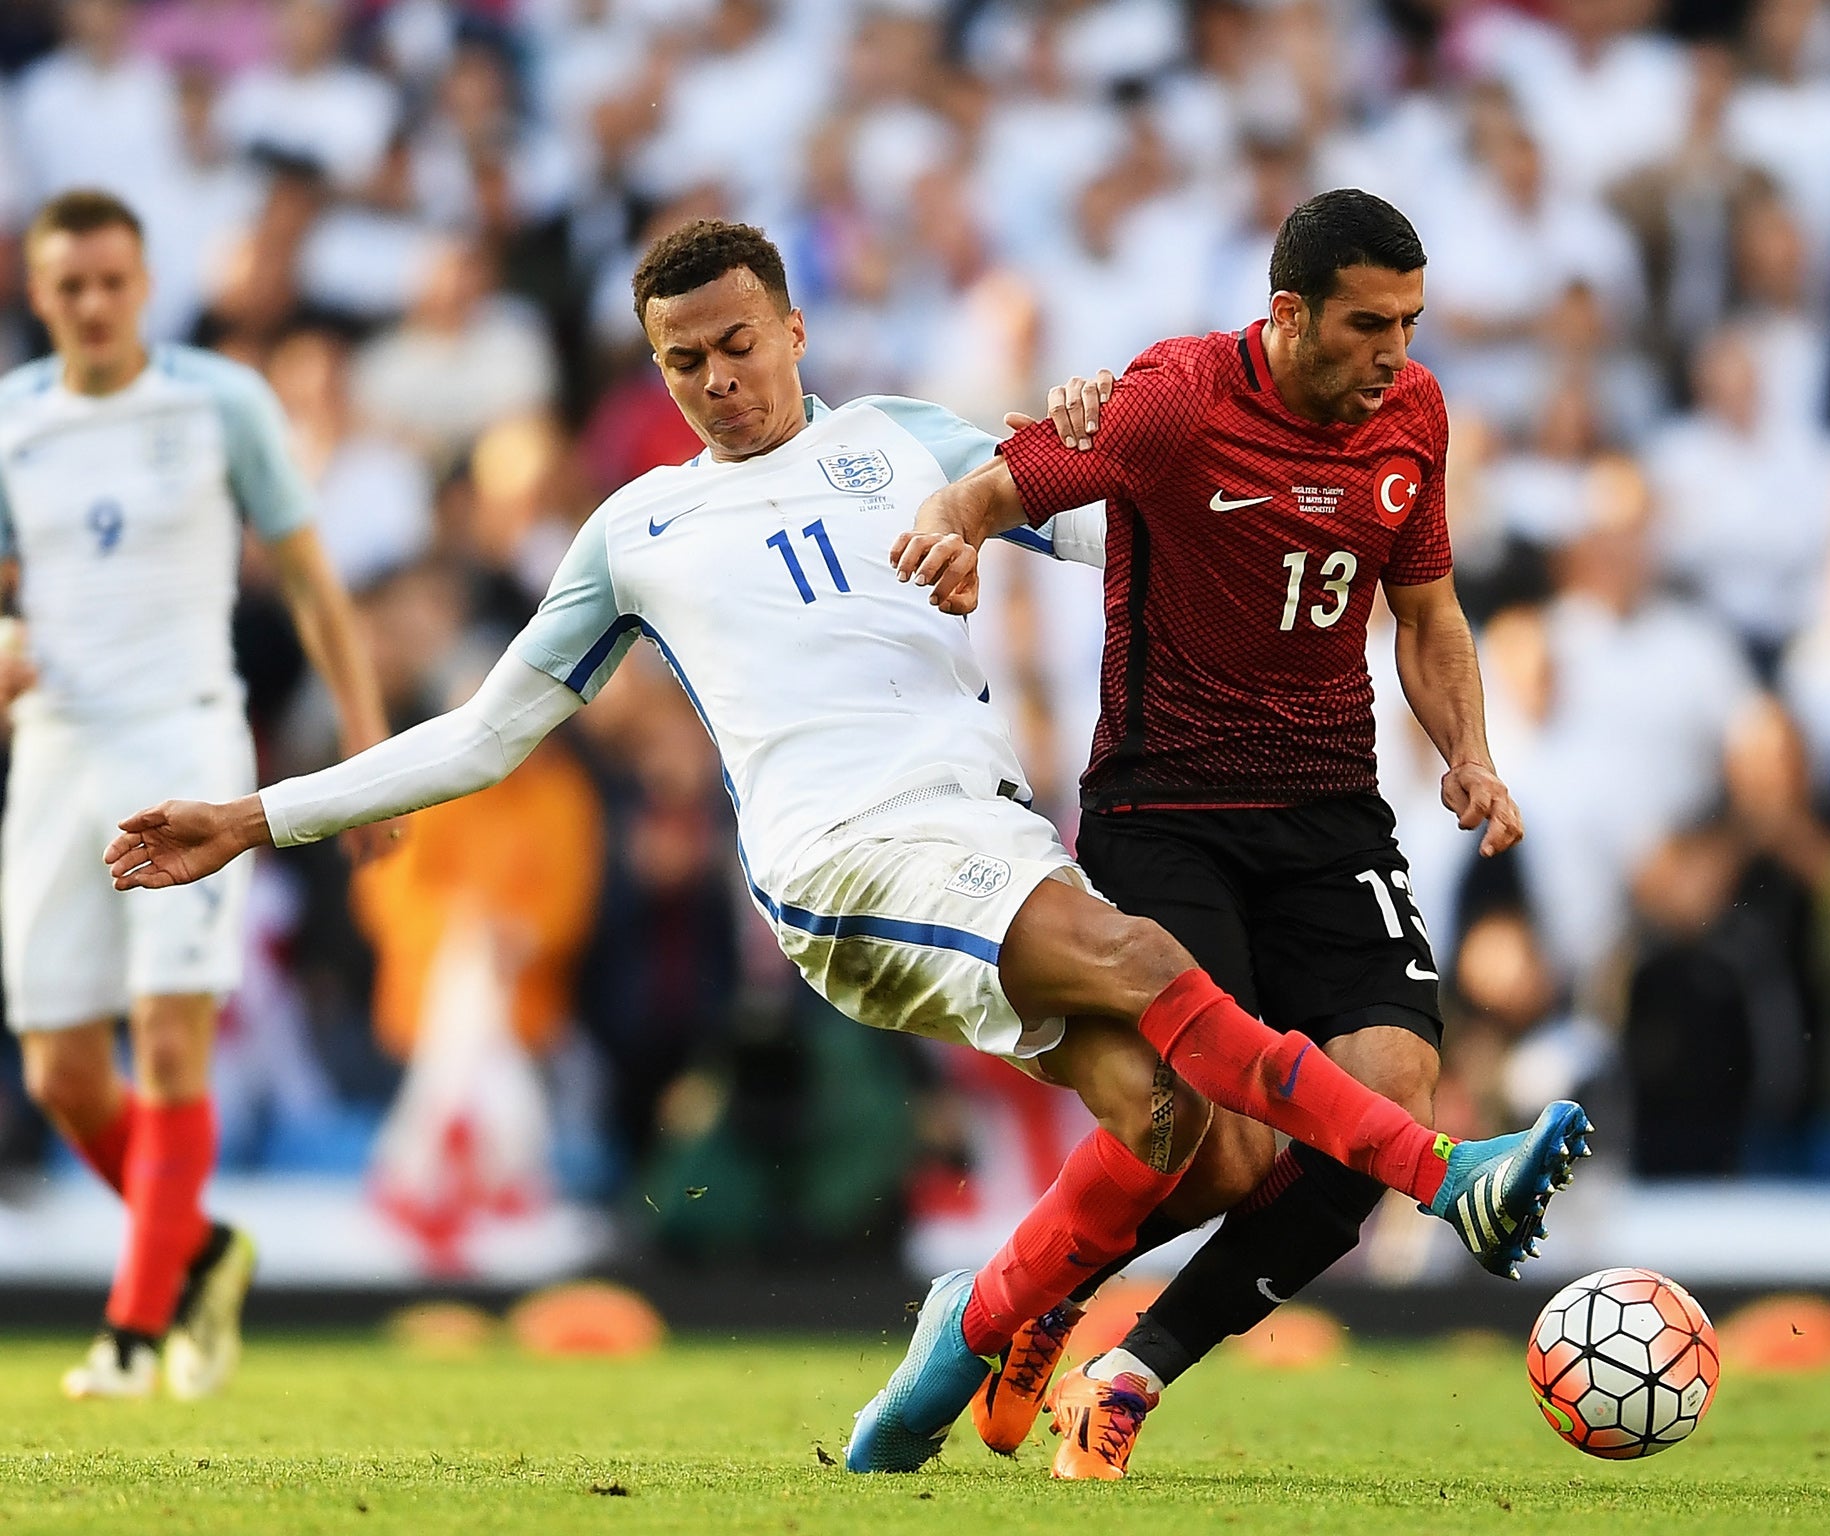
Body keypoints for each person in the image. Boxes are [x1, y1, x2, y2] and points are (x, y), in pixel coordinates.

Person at [101, 218, 1590, 1472]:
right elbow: (488, 734)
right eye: (682, 363)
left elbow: (1133, 522)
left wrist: (1112, 435)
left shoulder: (905, 444)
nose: (714, 383)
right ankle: (1444, 1168)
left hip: (990, 833)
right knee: (1145, 962)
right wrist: (259, 815)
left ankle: (972, 1327)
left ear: (795, 328)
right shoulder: (637, 531)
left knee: (1183, 1142)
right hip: (840, 860)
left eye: (736, 345)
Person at [893, 189, 1548, 1478]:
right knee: (1218, 1142)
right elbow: (996, 488)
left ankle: (1129, 1369)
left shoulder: (1411, 415)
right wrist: (949, 534)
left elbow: (1424, 615)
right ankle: (1038, 1292)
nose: (1393, 354)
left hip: (1328, 811)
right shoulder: (1173, 403)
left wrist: (1466, 752)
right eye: (1368, 323)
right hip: (1163, 810)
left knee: (1392, 1101)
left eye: (1409, 324)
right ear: (1287, 310)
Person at [0, 188, 389, 1399]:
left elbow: (318, 587)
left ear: (145, 282)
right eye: (71, 286)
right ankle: (203, 1250)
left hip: (184, 737)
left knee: (170, 1038)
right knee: (61, 1071)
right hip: (57, 748)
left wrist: (369, 757)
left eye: (114, 281)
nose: (95, 304)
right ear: (38, 290)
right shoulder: (12, 421)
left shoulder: (220, 401)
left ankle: (132, 1327)